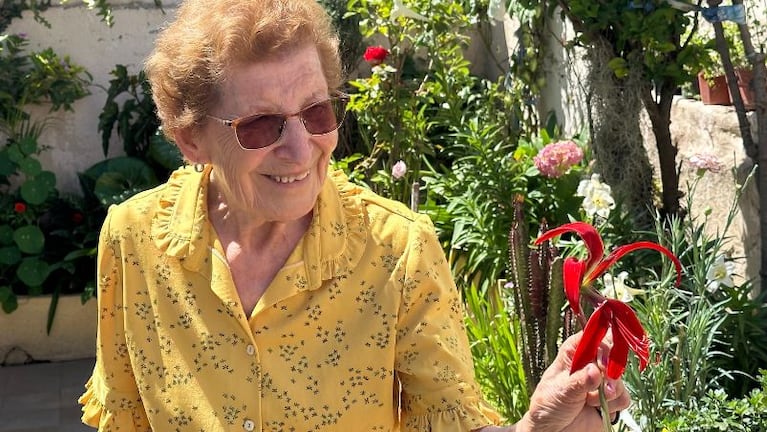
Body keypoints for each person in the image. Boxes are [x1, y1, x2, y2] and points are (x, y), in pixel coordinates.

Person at [78, 0, 630, 430]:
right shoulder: (135, 241)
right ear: (190, 138)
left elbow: (448, 421)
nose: (301, 149)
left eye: (316, 112)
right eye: (262, 126)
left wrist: (534, 428)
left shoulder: (396, 251)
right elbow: (126, 415)